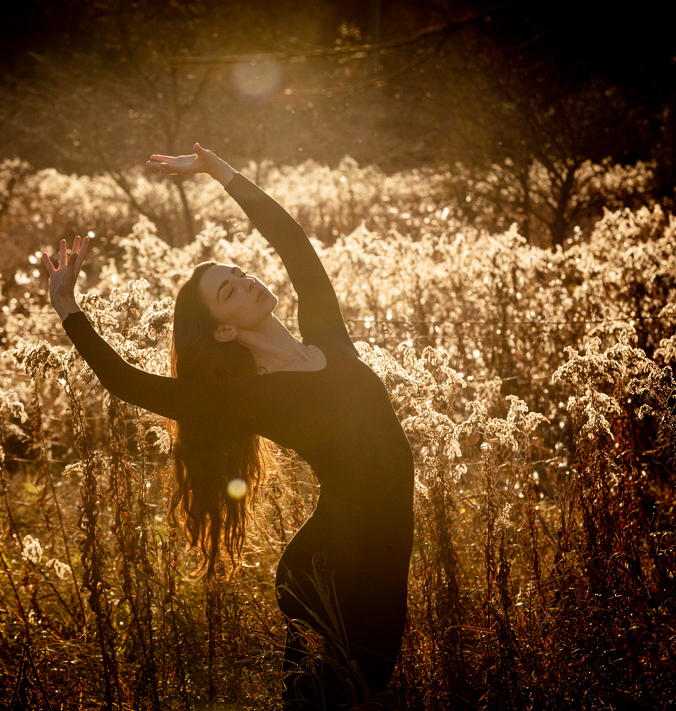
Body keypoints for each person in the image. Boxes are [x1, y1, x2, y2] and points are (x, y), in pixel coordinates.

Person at [43, 144, 414, 710]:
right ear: (220, 331)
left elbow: (292, 242)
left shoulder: (326, 336)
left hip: (385, 548)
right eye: (228, 291)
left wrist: (221, 172)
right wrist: (70, 310)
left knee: (362, 691)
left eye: (240, 275)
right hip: (335, 566)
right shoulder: (248, 398)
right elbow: (131, 384)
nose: (247, 283)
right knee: (343, 695)